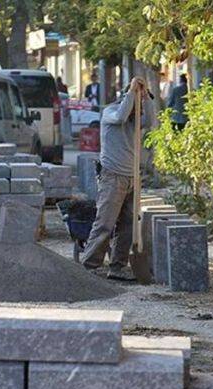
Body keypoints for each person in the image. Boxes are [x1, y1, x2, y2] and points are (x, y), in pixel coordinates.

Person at [80, 77, 156, 280]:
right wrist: (132, 91)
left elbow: (150, 121)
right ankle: (88, 266)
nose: (138, 109)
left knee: (128, 226)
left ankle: (117, 267)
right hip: (112, 176)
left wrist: (146, 96)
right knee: (105, 223)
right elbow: (122, 116)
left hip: (132, 177)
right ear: (126, 99)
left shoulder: (136, 119)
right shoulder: (111, 113)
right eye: (136, 103)